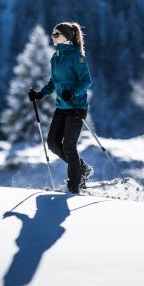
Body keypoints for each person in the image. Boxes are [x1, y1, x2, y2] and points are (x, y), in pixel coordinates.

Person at [28, 22, 92, 194]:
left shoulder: (77, 56)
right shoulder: (56, 57)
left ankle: (74, 185)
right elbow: (53, 83)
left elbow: (86, 81)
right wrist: (40, 94)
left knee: (69, 145)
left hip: (76, 107)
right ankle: (82, 169)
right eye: (52, 34)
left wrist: (73, 93)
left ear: (66, 36)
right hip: (62, 107)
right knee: (53, 143)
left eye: (56, 34)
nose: (53, 37)